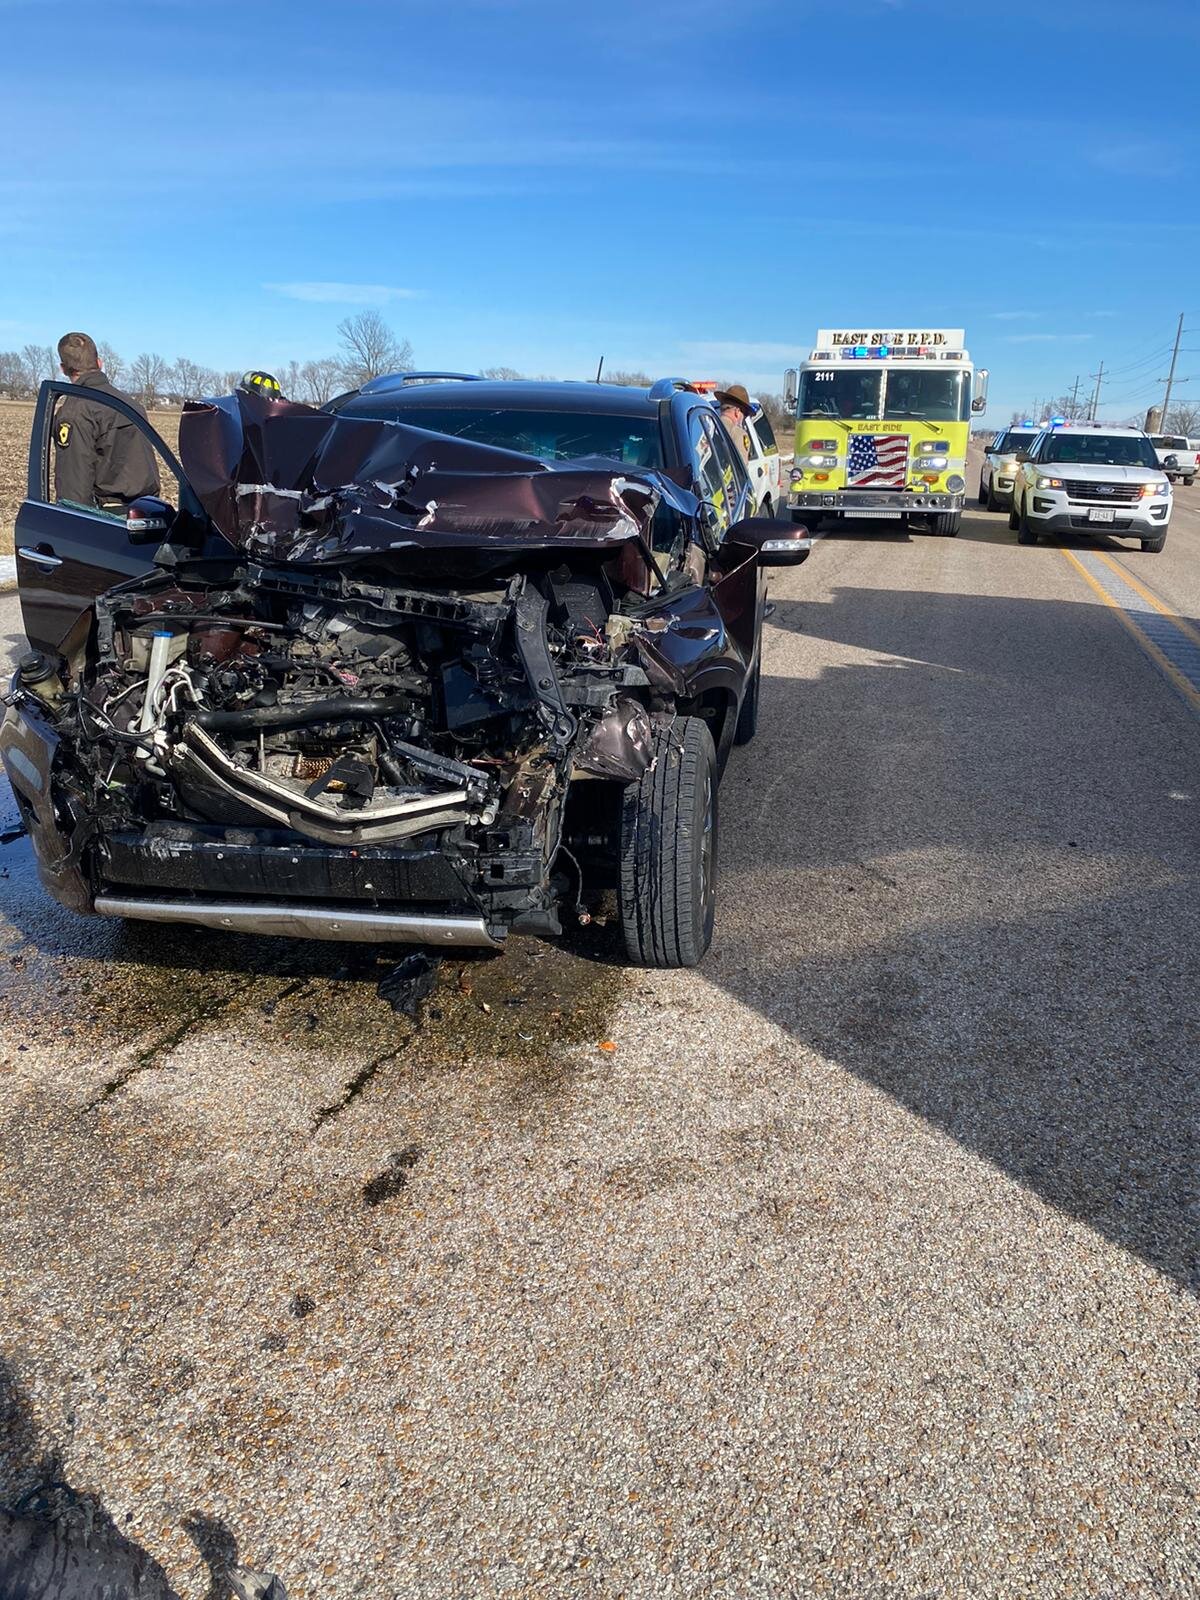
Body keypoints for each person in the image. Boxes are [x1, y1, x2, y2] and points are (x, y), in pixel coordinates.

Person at [53, 331, 159, 509]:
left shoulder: (75, 412)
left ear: (63, 369)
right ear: (99, 363)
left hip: (108, 517)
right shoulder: (132, 405)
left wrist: (71, 524)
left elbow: (74, 487)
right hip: (149, 512)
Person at [715, 383, 753, 462]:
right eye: (744, 414)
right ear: (737, 411)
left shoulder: (708, 427)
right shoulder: (738, 434)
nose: (743, 418)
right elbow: (741, 470)